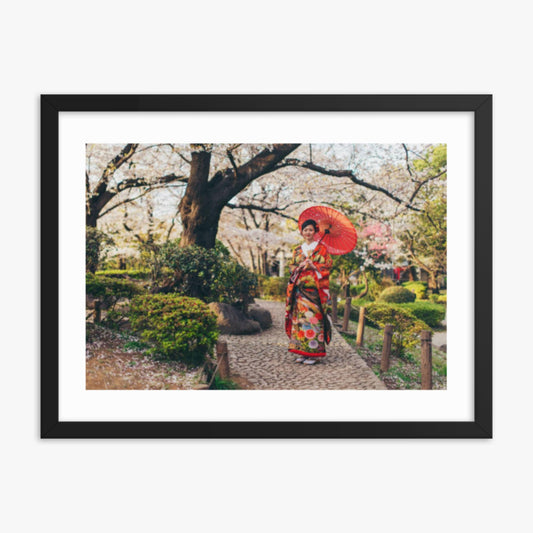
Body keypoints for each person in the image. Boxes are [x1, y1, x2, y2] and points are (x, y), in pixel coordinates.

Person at [285, 219, 333, 365]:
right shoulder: (298, 250)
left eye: (311, 230)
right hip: (299, 291)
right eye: (305, 230)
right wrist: (299, 266)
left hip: (315, 292)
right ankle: (301, 351)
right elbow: (291, 267)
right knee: (300, 320)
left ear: (316, 231)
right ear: (302, 232)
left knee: (313, 320)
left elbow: (328, 266)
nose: (308, 233)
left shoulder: (322, 249)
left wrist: (314, 266)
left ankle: (313, 353)